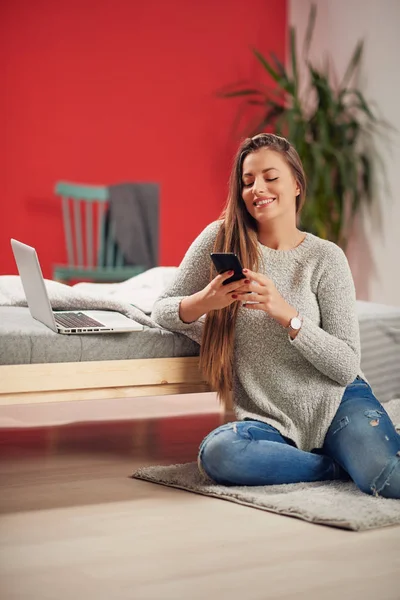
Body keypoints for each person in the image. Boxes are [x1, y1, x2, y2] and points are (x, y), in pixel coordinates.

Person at [152, 133, 400, 499]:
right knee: (218, 454)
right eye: (248, 181)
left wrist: (287, 315)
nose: (257, 189)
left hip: (337, 403)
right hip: (268, 418)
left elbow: (346, 365)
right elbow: (162, 309)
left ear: (296, 185)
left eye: (270, 177)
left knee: (385, 479)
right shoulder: (220, 238)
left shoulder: (325, 258)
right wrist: (206, 300)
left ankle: (351, 451)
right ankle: (332, 466)